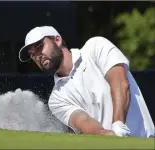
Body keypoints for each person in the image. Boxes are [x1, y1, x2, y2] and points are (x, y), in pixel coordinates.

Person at [19, 26, 155, 138]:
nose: (37, 56)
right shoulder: (56, 99)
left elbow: (120, 83)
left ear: (58, 40)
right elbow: (84, 123)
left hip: (145, 141)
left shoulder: (95, 46)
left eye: (39, 46)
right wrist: (111, 135)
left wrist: (118, 124)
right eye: (32, 54)